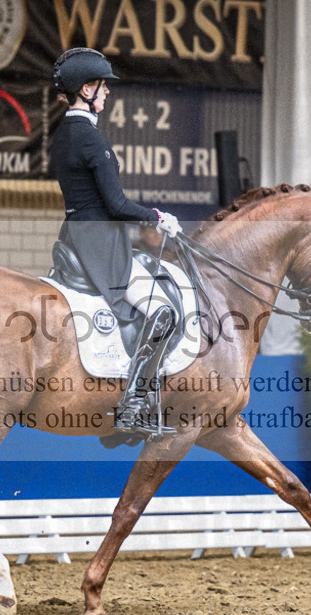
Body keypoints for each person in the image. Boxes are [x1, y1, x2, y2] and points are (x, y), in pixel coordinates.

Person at [49, 47, 182, 438]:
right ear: (86, 89)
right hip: (101, 243)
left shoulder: (63, 134)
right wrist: (158, 218)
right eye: (102, 87)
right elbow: (117, 204)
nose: (107, 93)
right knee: (163, 313)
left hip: (74, 235)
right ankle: (132, 407)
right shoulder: (90, 138)